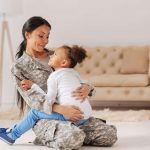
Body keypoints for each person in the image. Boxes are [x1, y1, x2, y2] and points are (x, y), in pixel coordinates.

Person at [0, 16, 117, 149]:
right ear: (28, 34)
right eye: (41, 36)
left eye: (47, 36)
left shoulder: (57, 56)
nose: (45, 41)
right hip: (46, 117)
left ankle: (69, 133)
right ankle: (54, 136)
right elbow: (33, 100)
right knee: (73, 138)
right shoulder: (18, 67)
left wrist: (87, 87)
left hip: (74, 113)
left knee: (110, 135)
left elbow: (73, 79)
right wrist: (61, 109)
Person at [0, 45, 93, 144]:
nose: (51, 55)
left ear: (63, 62)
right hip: (86, 115)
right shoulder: (74, 73)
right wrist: (88, 87)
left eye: (55, 54)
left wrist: (33, 86)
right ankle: (10, 130)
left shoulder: (54, 76)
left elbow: (49, 100)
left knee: (35, 112)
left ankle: (12, 135)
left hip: (72, 115)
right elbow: (85, 84)